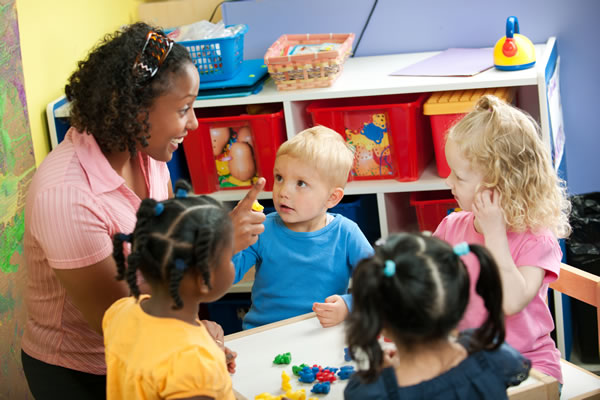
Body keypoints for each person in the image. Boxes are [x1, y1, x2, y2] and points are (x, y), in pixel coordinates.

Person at [21, 22, 265, 399]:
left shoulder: (148, 154)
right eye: (184, 108)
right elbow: (122, 318)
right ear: (134, 111)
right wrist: (218, 246)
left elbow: (166, 254)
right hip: (85, 373)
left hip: (152, 351)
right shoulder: (66, 196)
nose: (195, 123)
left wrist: (197, 329)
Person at [433, 94, 571, 384]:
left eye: (458, 176)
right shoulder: (451, 227)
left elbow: (509, 302)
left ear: (499, 186)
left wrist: (495, 232)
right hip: (469, 363)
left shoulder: (537, 239)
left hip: (530, 368)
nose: (448, 182)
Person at [344, 233, 531, 400]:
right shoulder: (492, 354)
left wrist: (384, 374)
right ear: (459, 303)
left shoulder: (372, 392)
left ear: (380, 325)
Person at [104, 181, 236, 399]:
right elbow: (180, 365)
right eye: (229, 256)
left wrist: (209, 359)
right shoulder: (193, 364)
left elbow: (159, 361)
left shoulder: (121, 310)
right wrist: (204, 370)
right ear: (204, 278)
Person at [233, 126, 374, 329]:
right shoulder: (262, 228)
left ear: (332, 197)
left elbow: (378, 286)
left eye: (301, 183)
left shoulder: (346, 233)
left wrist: (348, 306)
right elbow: (227, 275)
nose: (283, 191)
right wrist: (231, 237)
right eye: (279, 178)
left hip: (321, 332)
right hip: (265, 333)